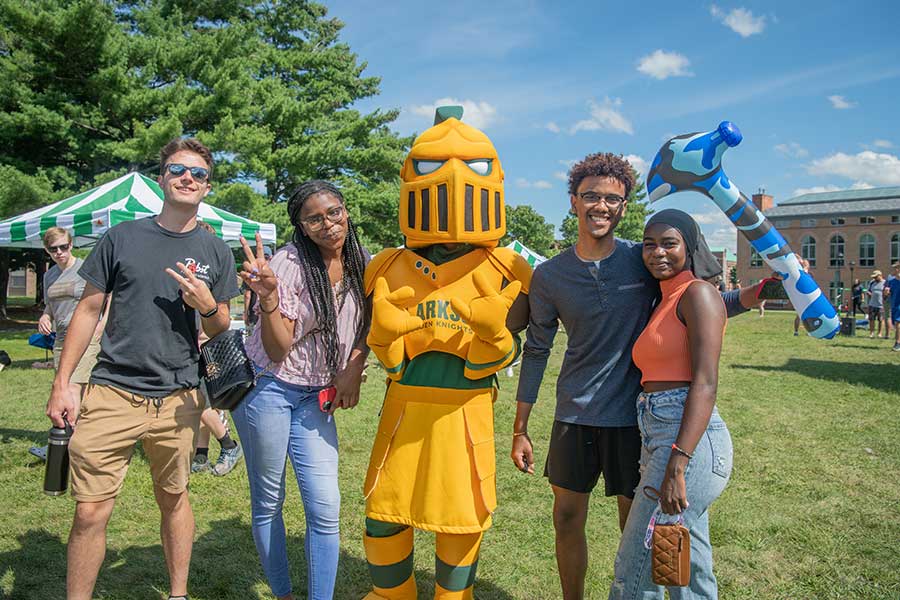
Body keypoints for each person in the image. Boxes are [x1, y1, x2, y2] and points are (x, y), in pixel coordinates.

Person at [511, 153, 759, 600]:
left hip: (635, 420)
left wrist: (751, 293)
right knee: (567, 519)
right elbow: (536, 349)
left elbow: (695, 299)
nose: (600, 206)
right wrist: (521, 426)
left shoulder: (642, 257)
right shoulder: (548, 275)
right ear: (573, 201)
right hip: (574, 414)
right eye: (591, 196)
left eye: (612, 198)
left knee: (642, 528)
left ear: (624, 205)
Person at [46, 138, 239, 600]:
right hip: (112, 391)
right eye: (178, 170)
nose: (188, 178)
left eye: (198, 173)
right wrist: (63, 383)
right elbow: (89, 310)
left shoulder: (216, 251)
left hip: (179, 398)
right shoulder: (122, 237)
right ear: (162, 179)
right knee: (90, 511)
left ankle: (177, 594)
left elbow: (222, 323)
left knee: (173, 499)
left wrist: (208, 304)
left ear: (208, 187)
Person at [361, 106, 531, 600]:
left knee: (462, 513)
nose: (453, 181)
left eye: (470, 167)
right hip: (405, 405)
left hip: (466, 409)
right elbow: (382, 347)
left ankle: (453, 596)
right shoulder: (388, 265)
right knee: (385, 511)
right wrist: (387, 342)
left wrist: (496, 340)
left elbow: (515, 344)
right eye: (437, 167)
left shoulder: (505, 266)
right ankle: (392, 593)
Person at [231, 180, 370, 600]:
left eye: (334, 212)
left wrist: (352, 367)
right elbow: (277, 349)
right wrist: (270, 299)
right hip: (269, 388)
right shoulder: (289, 264)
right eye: (314, 218)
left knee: (326, 508)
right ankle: (284, 593)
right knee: (270, 500)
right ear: (302, 226)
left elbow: (371, 323)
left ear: (345, 211)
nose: (328, 224)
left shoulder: (363, 261)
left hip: (316, 396)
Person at [608, 209, 732, 599]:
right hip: (657, 433)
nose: (657, 252)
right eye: (649, 244)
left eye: (668, 243)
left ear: (690, 247)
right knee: (685, 564)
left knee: (636, 566)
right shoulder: (664, 300)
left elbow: (706, 383)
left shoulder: (698, 293)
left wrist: (678, 463)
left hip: (687, 442)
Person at [30, 227, 106, 461]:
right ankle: (79, 444)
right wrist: (45, 316)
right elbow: (50, 306)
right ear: (47, 250)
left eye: (64, 246)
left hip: (86, 339)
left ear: (71, 245)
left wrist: (101, 326)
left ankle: (61, 445)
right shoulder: (49, 275)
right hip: (61, 340)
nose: (60, 252)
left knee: (71, 388)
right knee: (69, 390)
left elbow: (109, 297)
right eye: (53, 249)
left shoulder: (85, 268)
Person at [190, 220, 243, 477]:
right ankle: (200, 455)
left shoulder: (209, 272)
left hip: (204, 347)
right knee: (204, 402)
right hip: (198, 345)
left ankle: (229, 446)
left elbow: (216, 314)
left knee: (199, 402)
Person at [793, 257, 811, 336]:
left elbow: (806, 266)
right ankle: (796, 331)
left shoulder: (803, 265)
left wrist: (805, 268)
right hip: (800, 293)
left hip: (804, 293)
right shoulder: (796, 268)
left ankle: (808, 331)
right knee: (800, 314)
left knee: (805, 314)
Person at [866, 270, 886, 339]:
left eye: (876, 277)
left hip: (881, 305)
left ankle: (879, 333)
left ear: (880, 275)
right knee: (871, 319)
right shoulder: (872, 283)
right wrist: (868, 293)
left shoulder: (885, 283)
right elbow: (868, 290)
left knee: (880, 320)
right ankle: (871, 333)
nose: (874, 278)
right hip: (872, 304)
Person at [886, 263, 900, 351]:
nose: (892, 271)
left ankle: (897, 343)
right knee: (896, 324)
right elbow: (887, 294)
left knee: (898, 323)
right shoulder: (891, 281)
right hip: (894, 305)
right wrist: (886, 292)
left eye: (894, 269)